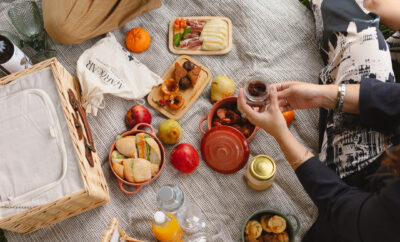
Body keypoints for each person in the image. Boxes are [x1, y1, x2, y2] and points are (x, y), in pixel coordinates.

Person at [238, 0, 400, 241]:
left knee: (360, 31)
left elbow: (342, 206)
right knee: (355, 7)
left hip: (363, 190)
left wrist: (281, 134)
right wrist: (325, 96)